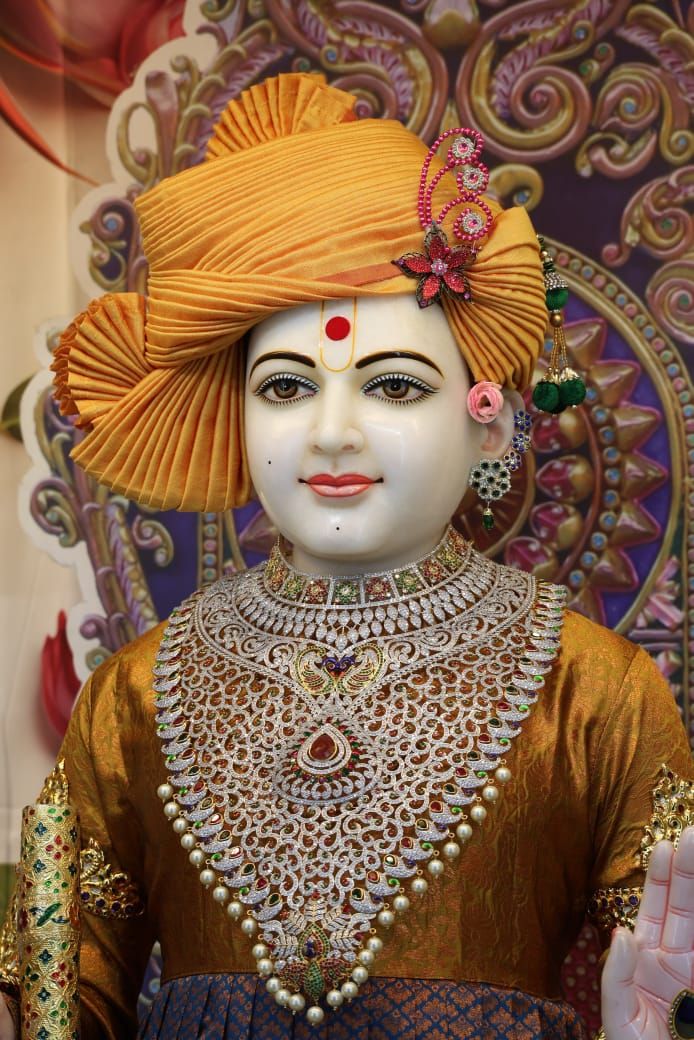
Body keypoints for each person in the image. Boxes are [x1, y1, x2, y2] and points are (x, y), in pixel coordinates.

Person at [1, 72, 693, 1040]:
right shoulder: (136, 696)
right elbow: (69, 998)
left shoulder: (594, 693)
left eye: (394, 387)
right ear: (238, 416)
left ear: (489, 426)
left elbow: (663, 974)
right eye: (285, 388)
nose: (330, 432)